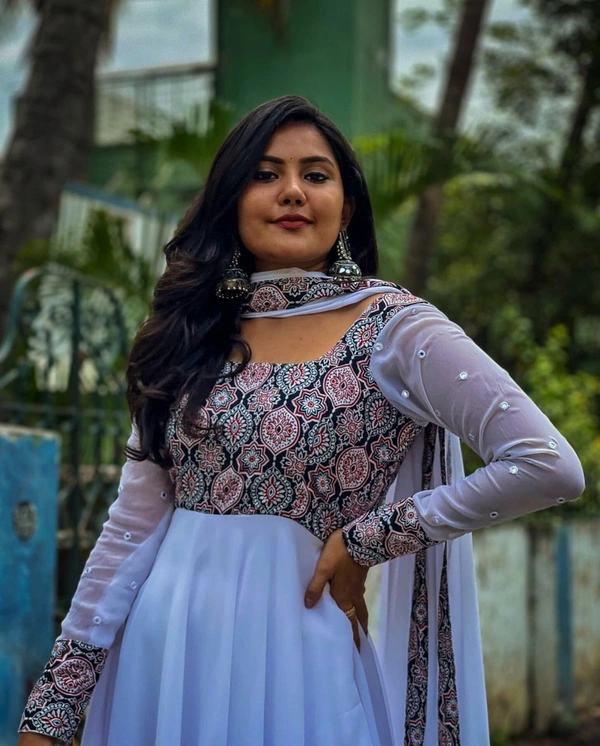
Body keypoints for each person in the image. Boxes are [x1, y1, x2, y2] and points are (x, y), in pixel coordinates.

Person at [17, 95, 584, 746]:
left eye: (315, 174)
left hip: (296, 661)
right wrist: (55, 708)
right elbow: (131, 527)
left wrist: (369, 538)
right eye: (264, 174)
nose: (291, 191)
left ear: (347, 207)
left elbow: (547, 464)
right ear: (232, 200)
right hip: (163, 656)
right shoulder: (192, 331)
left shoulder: (396, 329)